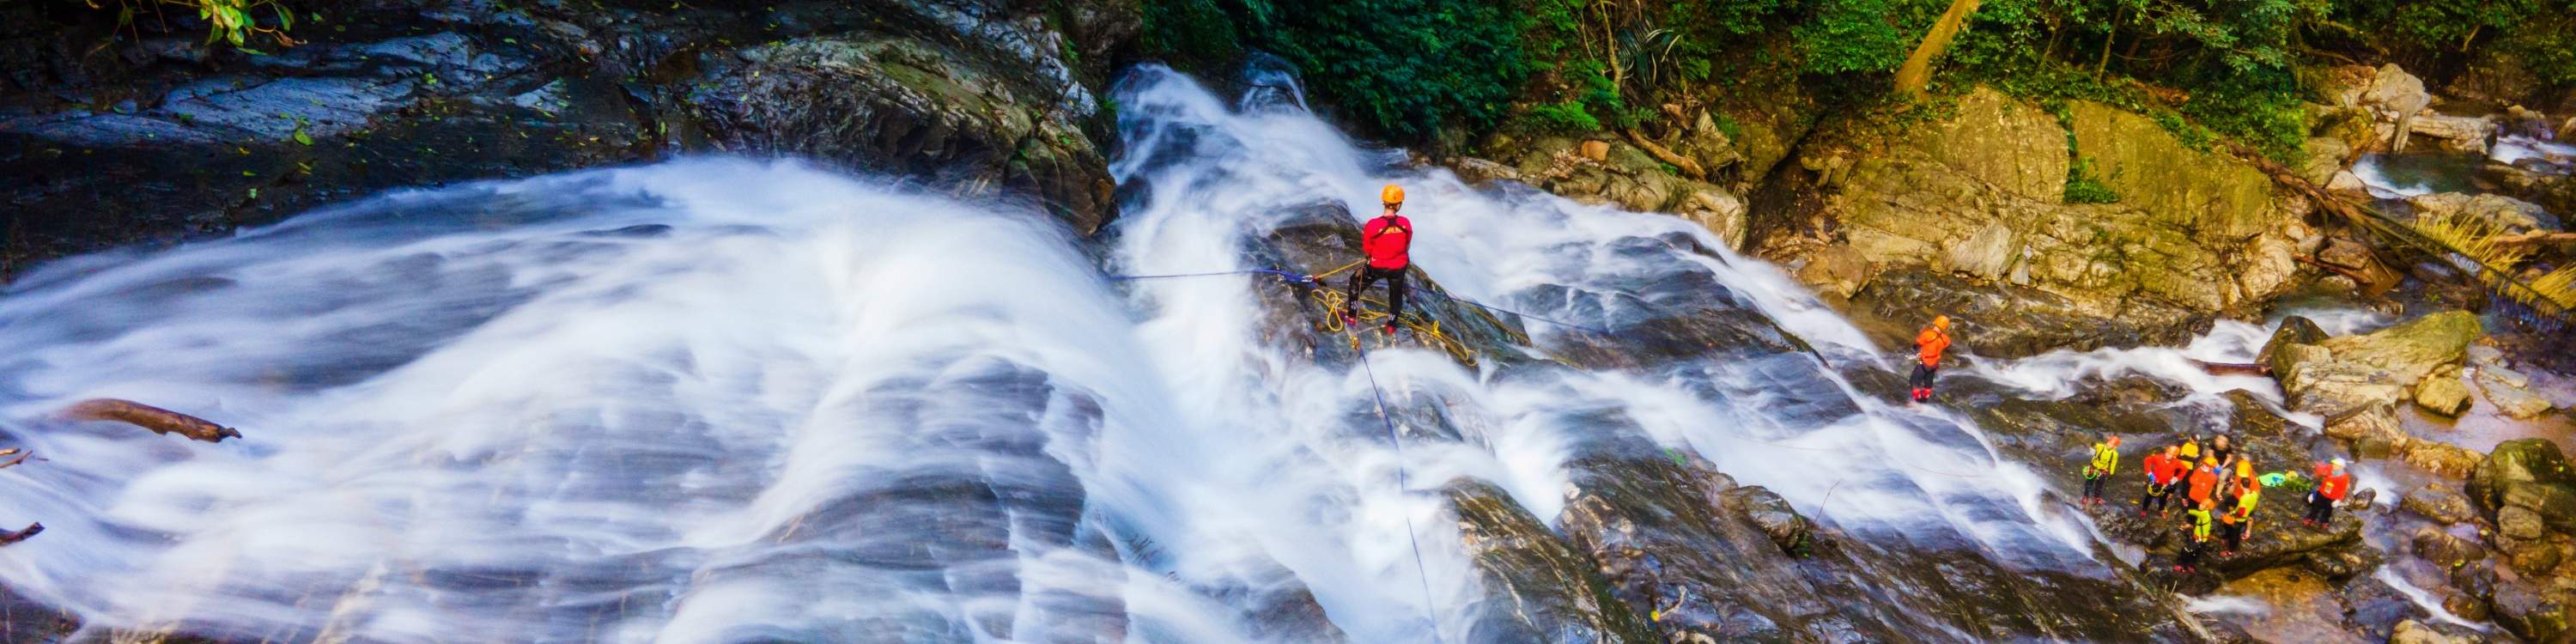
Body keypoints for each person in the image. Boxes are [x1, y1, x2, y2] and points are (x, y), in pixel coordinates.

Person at [1341, 185, 1414, 336]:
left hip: (1377, 266)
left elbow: (1367, 251)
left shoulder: (1373, 225)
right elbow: (1407, 247)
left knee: (1355, 284)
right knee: (1396, 296)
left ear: (1384, 202)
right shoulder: (1406, 223)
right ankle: (1391, 325)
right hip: (1399, 267)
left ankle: (1352, 317)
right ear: (1399, 204)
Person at [1910, 316, 1953, 403]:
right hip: (1935, 364)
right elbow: (1946, 346)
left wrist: (1919, 358)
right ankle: (1924, 401)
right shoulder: (1946, 339)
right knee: (1928, 384)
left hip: (1924, 362)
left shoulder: (1927, 334)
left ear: (1935, 323)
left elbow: (1917, 346)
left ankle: (1917, 402)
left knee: (1914, 382)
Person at [2306, 459, 2352, 527]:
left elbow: (2343, 490)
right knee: (2316, 507)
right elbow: (2320, 467)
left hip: (2332, 497)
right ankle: (2310, 518)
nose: (2334, 466)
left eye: (2337, 465)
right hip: (2322, 493)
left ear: (2342, 467)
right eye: (2334, 464)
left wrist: (2338, 500)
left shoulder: (2344, 477)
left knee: (2328, 511)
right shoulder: (2330, 468)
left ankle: (2324, 521)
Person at [2176, 498, 2216, 574]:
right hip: (2202, 540)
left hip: (2198, 539)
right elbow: (2199, 525)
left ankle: (2182, 565)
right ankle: (2190, 565)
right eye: (2201, 503)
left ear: (2207, 508)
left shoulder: (2203, 514)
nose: (2200, 505)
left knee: (2186, 551)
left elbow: (2193, 512)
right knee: (2196, 554)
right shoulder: (2206, 514)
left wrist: (2185, 508)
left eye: (2203, 505)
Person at [2221, 482, 2260, 556]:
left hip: (2239, 519)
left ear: (2241, 485)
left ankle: (2230, 550)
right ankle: (2226, 539)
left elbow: (2241, 512)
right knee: (2232, 530)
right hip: (2246, 517)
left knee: (2234, 535)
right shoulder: (2254, 494)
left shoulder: (2243, 498)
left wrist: (2232, 515)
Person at [2081, 434, 2121, 506]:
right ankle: (2085, 496)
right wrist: (2092, 443)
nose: (2109, 445)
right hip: (2094, 467)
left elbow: (2113, 464)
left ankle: (2097, 497)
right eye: (2109, 442)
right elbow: (2094, 445)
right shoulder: (2101, 447)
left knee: (2099, 485)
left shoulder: (2115, 454)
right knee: (2089, 483)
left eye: (2112, 444)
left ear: (2115, 447)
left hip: (2103, 470)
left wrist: (2111, 473)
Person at [2139, 446, 2177, 516]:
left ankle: (2161, 509)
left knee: (2163, 497)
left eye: (2170, 454)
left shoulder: (2176, 463)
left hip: (2165, 483)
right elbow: (2147, 460)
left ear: (2174, 456)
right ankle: (2144, 509)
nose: (2167, 455)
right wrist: (2149, 473)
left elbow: (2176, 475)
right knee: (2149, 496)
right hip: (2156, 481)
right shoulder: (2159, 458)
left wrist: (2172, 489)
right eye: (2167, 453)